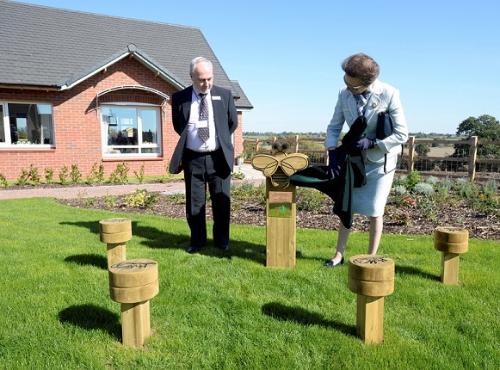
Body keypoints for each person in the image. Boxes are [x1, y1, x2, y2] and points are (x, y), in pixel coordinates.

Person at [324, 53, 408, 267]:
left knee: (375, 209)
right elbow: (334, 126)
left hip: (380, 162)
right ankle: (338, 255)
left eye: (353, 86)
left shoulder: (389, 93)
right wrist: (332, 152)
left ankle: (371, 258)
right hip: (354, 162)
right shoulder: (343, 95)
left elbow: (401, 134)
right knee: (347, 206)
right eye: (346, 81)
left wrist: (373, 143)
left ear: (367, 82)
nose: (348, 88)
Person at [169, 57, 238, 253]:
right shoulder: (180, 98)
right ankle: (197, 241)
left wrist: (218, 140)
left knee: (221, 201)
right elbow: (178, 126)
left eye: (209, 78)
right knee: (194, 203)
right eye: (201, 79)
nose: (206, 83)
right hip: (193, 159)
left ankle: (222, 241)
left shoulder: (224, 95)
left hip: (219, 158)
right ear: (191, 77)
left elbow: (232, 123)